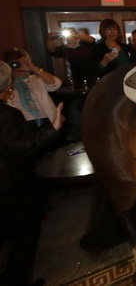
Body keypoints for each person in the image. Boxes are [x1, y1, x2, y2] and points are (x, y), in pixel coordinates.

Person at [0, 60, 63, 286]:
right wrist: (54, 128)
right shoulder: (8, 114)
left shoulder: (34, 79)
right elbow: (16, 148)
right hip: (10, 186)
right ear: (8, 83)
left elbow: (56, 84)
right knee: (25, 235)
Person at [3, 47, 62, 130]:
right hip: (21, 125)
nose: (17, 65)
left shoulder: (36, 79)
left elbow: (56, 84)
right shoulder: (5, 84)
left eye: (22, 61)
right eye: (14, 62)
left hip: (47, 120)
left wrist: (34, 68)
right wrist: (8, 73)